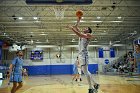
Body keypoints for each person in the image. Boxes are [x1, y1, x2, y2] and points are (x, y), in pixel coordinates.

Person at [67, 18, 99, 93]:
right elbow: (76, 28)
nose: (84, 28)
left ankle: (91, 88)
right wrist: (78, 20)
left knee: (85, 72)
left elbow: (78, 33)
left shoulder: (88, 35)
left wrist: (72, 28)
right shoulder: (82, 35)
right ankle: (95, 84)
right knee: (85, 71)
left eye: (86, 28)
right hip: (81, 55)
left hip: (84, 55)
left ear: (88, 31)